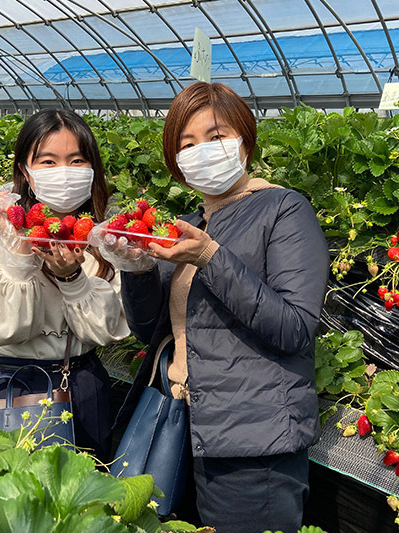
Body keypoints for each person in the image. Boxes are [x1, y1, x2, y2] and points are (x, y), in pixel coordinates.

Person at [118, 82, 329, 533]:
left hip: (253, 447)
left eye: (215, 136)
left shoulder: (283, 210)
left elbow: (294, 328)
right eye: (186, 144)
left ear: (245, 141)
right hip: (182, 426)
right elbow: (149, 332)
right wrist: (134, 270)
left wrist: (210, 257)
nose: (201, 151)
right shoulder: (191, 226)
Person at [0, 109, 130, 461]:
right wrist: (20, 262)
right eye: (48, 161)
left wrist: (72, 278)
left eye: (76, 160)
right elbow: (1, 328)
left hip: (82, 384)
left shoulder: (102, 235)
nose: (64, 172)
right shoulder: (0, 230)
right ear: (26, 171)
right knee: (12, 493)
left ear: (92, 168)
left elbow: (107, 329)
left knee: (85, 497)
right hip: (13, 381)